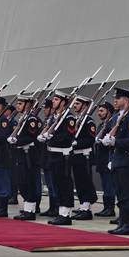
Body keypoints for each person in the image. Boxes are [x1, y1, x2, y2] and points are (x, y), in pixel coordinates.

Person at [100, 87, 129, 235]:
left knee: (128, 195)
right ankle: (122, 223)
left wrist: (115, 142)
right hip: (117, 160)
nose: (115, 100)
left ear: (126, 100)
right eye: (115, 98)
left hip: (127, 161)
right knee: (121, 195)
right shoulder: (116, 117)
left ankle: (128, 225)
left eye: (118, 98)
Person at [39, 91, 76, 226]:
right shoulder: (54, 117)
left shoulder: (69, 117)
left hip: (63, 156)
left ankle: (66, 215)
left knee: (64, 185)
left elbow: (68, 136)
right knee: (57, 185)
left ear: (63, 102)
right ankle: (61, 213)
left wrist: (52, 137)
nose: (53, 101)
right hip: (53, 155)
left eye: (56, 99)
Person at [10, 93, 42, 220]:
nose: (17, 106)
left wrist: (16, 141)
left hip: (29, 155)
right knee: (22, 182)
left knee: (28, 182)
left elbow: (31, 136)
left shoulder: (31, 119)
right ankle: (28, 208)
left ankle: (31, 211)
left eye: (20, 103)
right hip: (21, 154)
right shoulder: (23, 118)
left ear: (27, 105)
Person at [70, 95, 98, 220]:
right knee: (79, 182)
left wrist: (76, 143)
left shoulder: (88, 121)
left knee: (85, 182)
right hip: (76, 155)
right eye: (75, 104)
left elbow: (90, 139)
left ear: (85, 106)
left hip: (84, 155)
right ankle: (82, 206)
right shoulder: (77, 119)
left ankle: (87, 209)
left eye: (78, 104)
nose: (75, 106)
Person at [93, 101, 116, 217]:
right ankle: (106, 207)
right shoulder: (101, 125)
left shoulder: (112, 125)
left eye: (102, 111)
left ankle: (110, 208)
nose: (99, 113)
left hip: (108, 158)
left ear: (109, 112)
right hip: (101, 159)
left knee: (109, 185)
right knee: (105, 185)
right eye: (99, 111)